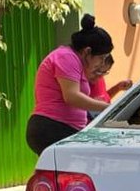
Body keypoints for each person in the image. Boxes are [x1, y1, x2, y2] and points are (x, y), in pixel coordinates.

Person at [25, 15, 117, 154]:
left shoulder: (78, 63)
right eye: (101, 58)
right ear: (87, 51)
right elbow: (72, 96)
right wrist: (109, 108)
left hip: (65, 128)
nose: (102, 63)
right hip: (52, 127)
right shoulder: (67, 57)